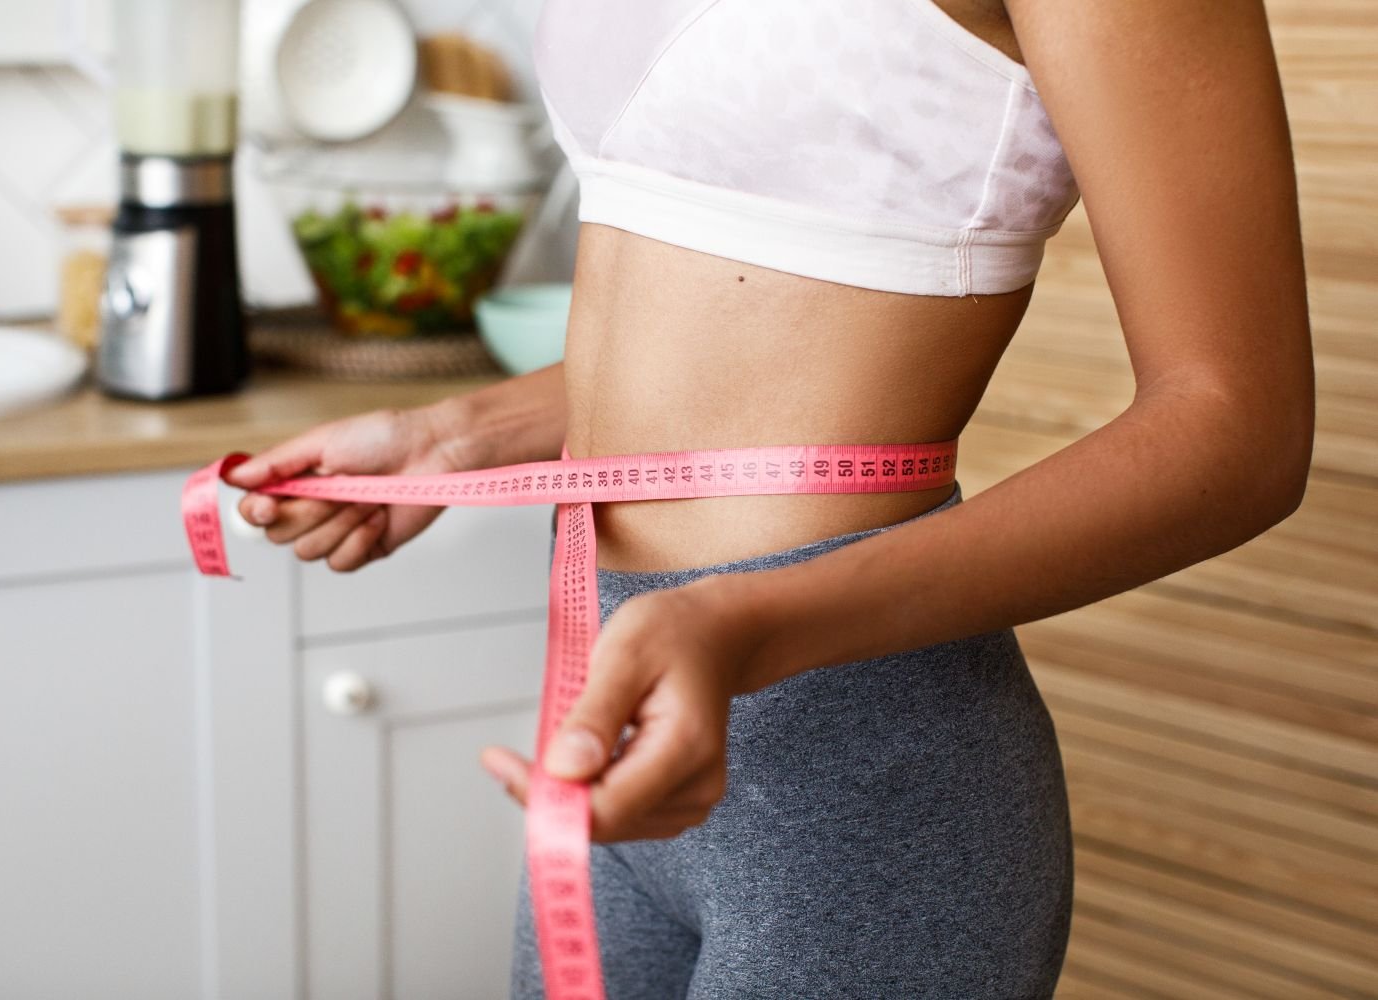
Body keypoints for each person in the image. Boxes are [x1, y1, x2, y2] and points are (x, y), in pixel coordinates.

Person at [227, 0, 1314, 995]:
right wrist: (456, 433)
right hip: (616, 710)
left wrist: (742, 619)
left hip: (862, 780)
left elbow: (1236, 428)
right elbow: (745, 305)